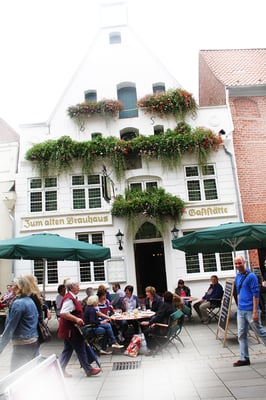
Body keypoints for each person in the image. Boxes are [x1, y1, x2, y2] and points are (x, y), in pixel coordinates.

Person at [58, 279, 101, 377]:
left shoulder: (71, 297)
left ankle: (60, 370)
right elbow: (63, 313)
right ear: (72, 287)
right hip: (72, 330)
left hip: (70, 330)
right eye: (77, 286)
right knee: (80, 348)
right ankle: (88, 369)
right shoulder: (69, 299)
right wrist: (77, 319)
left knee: (68, 350)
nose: (79, 287)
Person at [0, 276, 39, 372]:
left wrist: (1, 346)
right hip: (32, 341)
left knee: (15, 375)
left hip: (22, 344)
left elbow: (10, 327)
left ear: (19, 288)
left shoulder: (18, 303)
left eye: (13, 285)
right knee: (28, 372)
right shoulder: (29, 301)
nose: (11, 287)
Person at [233, 256, 266, 367]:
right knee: (241, 334)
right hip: (241, 310)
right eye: (236, 264)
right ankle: (244, 358)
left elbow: (255, 294)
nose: (238, 266)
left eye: (239, 263)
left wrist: (255, 311)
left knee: (260, 332)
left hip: (251, 310)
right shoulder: (237, 276)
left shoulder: (251, 276)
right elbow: (238, 292)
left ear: (244, 262)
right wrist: (238, 307)